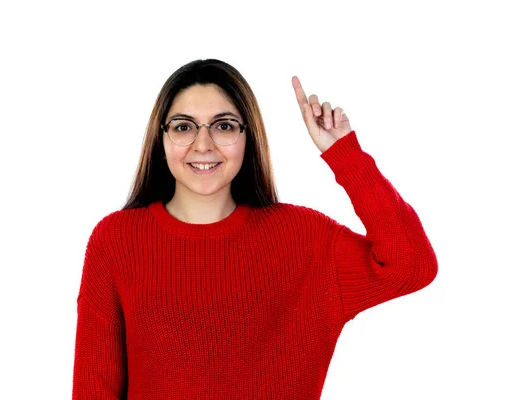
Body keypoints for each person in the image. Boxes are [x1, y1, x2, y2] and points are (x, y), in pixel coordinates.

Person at [72, 59, 438, 399]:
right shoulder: (117, 240)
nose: (203, 145)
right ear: (161, 138)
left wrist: (345, 154)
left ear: (249, 137)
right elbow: (94, 389)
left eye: (224, 126)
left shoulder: (303, 238)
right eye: (184, 127)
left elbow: (412, 265)